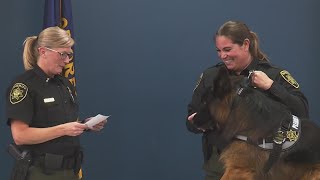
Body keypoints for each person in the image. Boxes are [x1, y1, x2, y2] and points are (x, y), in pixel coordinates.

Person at [186, 20, 309, 179]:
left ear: (245, 44)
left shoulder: (274, 75)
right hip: (221, 168)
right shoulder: (210, 77)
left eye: (228, 49)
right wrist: (198, 122)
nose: (223, 56)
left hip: (267, 169)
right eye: (219, 50)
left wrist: (271, 86)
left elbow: (302, 112)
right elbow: (191, 120)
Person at [5, 26, 106, 180]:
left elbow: (61, 123)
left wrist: (85, 125)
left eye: (69, 54)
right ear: (43, 51)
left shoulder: (64, 84)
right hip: (41, 173)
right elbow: (20, 136)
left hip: (70, 171)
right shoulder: (24, 85)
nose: (67, 61)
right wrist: (63, 129)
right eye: (62, 54)